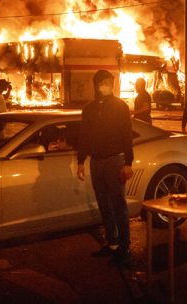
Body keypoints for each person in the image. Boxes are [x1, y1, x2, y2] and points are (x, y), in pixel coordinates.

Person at [77, 70, 134, 267]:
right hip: (96, 162)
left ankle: (125, 247)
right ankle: (112, 243)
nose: (106, 85)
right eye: (102, 82)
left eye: (109, 82)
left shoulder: (120, 107)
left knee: (118, 204)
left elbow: (127, 135)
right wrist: (80, 161)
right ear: (96, 85)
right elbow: (84, 136)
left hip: (114, 160)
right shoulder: (89, 109)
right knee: (104, 204)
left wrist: (128, 163)